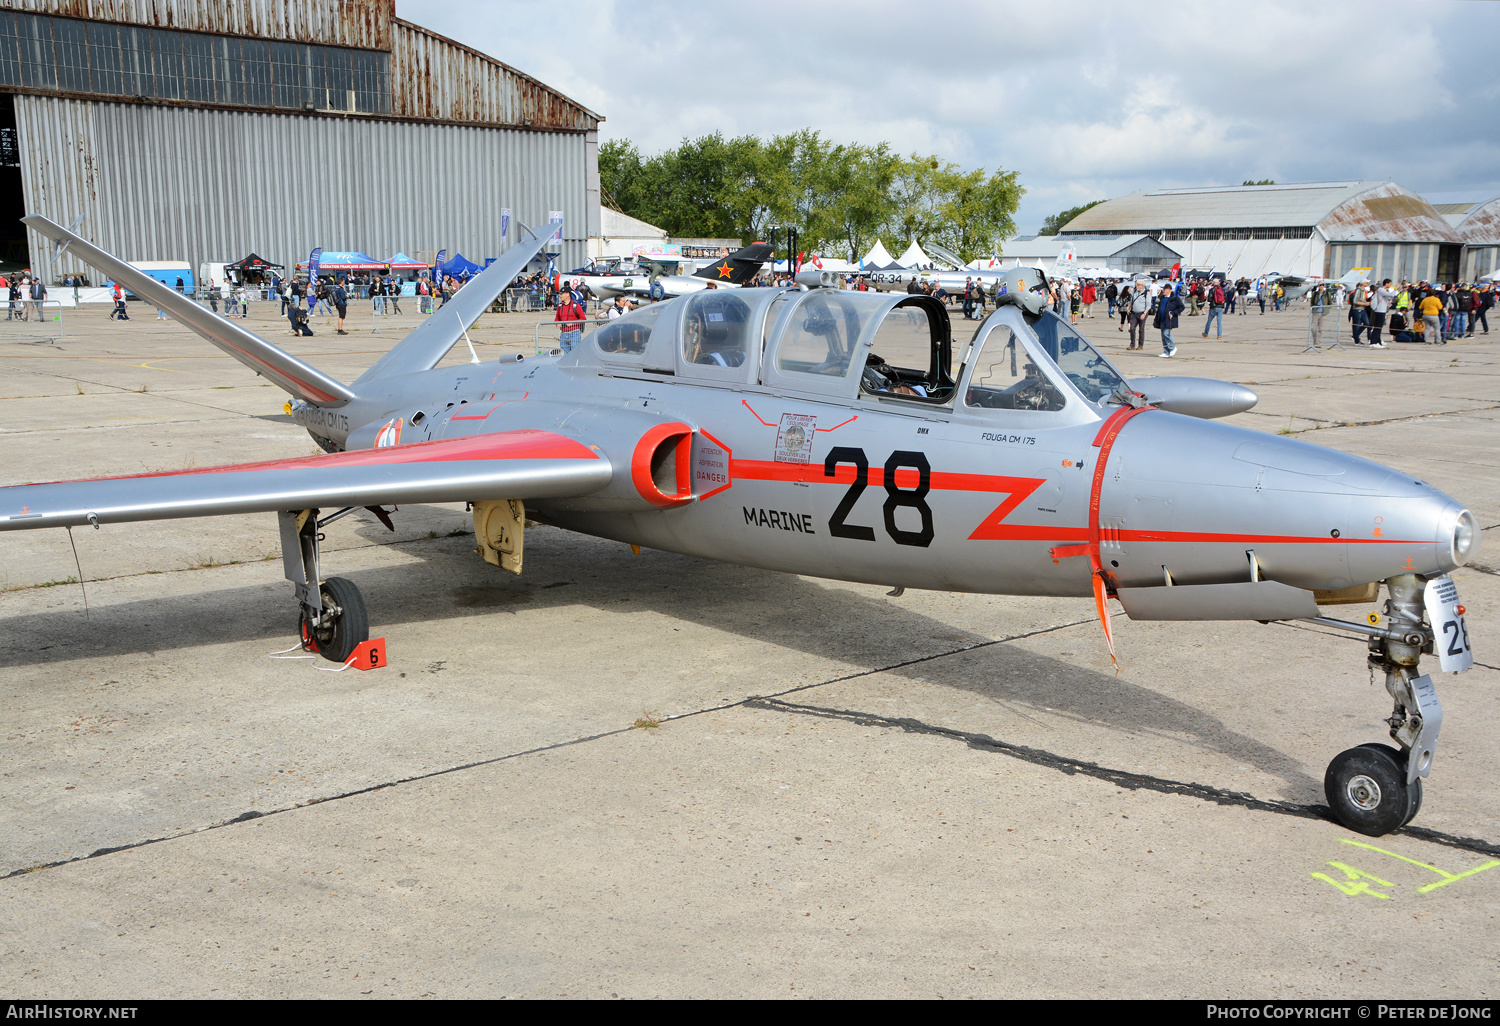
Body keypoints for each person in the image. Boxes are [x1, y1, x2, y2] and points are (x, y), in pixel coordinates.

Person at [1153, 280, 1184, 357]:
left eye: (1165, 289)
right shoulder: (1162, 298)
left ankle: (1173, 347)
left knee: (1166, 334)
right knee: (1163, 336)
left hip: (1169, 319)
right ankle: (1166, 352)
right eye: (1163, 289)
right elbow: (1159, 308)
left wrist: (1173, 313)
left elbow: (1182, 307)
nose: (1163, 291)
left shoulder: (1175, 298)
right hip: (1162, 319)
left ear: (1169, 290)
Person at [1368, 278, 1395, 348]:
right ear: (1386, 283)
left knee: (1379, 327)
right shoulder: (1381, 290)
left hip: (1382, 310)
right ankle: (1373, 342)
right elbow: (1391, 295)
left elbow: (1389, 297)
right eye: (1390, 284)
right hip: (1379, 310)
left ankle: (1377, 341)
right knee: (1377, 327)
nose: (1390, 285)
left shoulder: (1383, 290)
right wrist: (1396, 289)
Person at [1126, 280, 1150, 349]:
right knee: (1132, 328)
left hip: (1142, 313)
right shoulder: (1134, 292)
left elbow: (1148, 305)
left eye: (1138, 285)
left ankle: (1140, 345)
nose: (1136, 286)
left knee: (1141, 329)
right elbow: (1131, 301)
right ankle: (1132, 344)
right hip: (1134, 313)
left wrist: (1144, 313)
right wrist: (1128, 308)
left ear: (1142, 286)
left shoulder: (1146, 293)